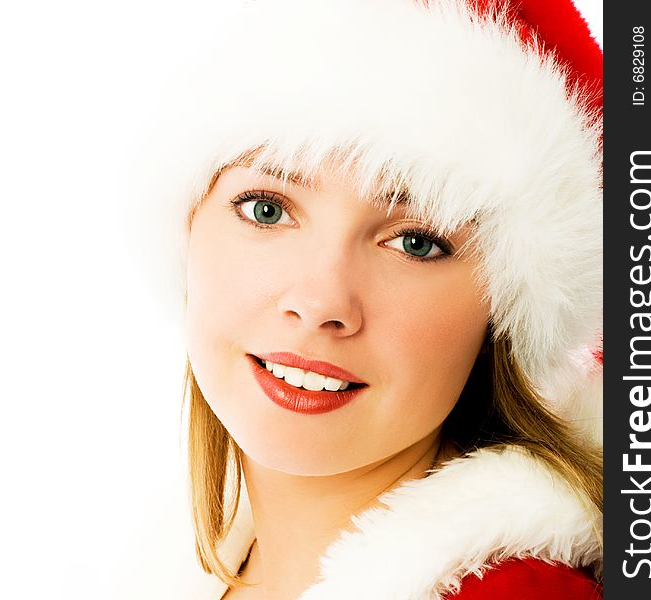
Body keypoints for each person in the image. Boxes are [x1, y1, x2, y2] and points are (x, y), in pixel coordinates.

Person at [141, 0, 603, 598]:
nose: (319, 300)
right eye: (268, 208)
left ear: (504, 315)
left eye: (414, 242)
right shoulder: (183, 561)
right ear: (187, 229)